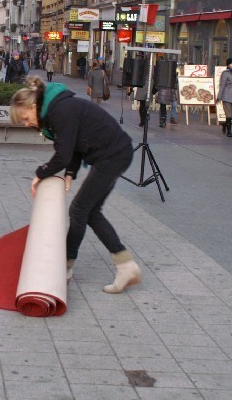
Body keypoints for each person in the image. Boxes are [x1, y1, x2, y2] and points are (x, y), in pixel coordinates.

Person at [10, 76, 141, 294]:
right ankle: (125, 265)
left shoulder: (60, 111)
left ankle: (66, 267)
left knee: (79, 210)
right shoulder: (56, 110)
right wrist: (70, 172)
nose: (27, 124)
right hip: (113, 153)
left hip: (113, 155)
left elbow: (63, 154)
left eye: (25, 118)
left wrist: (39, 173)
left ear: (33, 106)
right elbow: (73, 145)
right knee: (89, 212)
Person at [217, 57, 232, 138]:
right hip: (226, 95)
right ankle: (229, 131)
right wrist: (219, 97)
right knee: (228, 114)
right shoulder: (225, 73)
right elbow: (222, 85)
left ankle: (225, 124)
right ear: (228, 65)